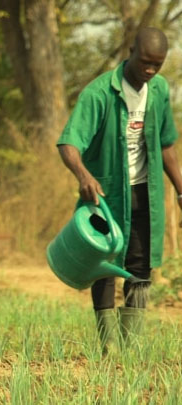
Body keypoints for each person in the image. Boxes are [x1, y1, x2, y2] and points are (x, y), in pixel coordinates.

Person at [57, 27, 182, 354]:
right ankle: (109, 345)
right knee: (105, 262)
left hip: (145, 192)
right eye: (145, 62)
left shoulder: (158, 91)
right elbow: (69, 142)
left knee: (140, 267)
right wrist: (83, 174)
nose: (150, 70)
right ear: (130, 51)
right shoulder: (100, 93)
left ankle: (132, 345)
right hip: (106, 195)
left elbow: (167, 145)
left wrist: (181, 190)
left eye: (158, 64)